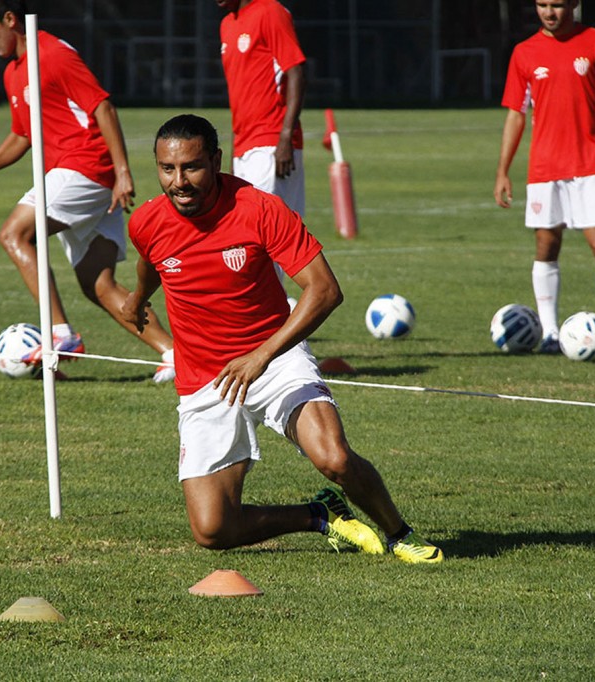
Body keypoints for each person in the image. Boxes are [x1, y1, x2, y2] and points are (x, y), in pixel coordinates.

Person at [121, 114, 442, 564]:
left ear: (216, 160)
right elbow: (152, 259)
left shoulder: (259, 208)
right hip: (205, 380)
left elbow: (325, 290)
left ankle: (399, 533)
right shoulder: (147, 221)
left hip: (275, 358)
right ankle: (319, 514)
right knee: (213, 530)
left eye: (191, 167)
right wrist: (137, 299)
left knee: (334, 459)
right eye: (167, 169)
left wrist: (261, 355)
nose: (179, 182)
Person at [0, 0, 175, 382]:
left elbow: (103, 106)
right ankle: (175, 355)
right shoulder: (13, 72)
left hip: (86, 167)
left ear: (10, 19)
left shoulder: (52, 54)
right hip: (77, 175)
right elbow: (22, 134)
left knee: (14, 234)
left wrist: (123, 172)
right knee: (98, 285)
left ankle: (60, 333)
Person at [495, 0, 595, 353]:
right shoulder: (524, 52)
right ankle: (551, 334)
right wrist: (503, 171)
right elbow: (515, 115)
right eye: (542, 5)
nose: (549, 12)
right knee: (546, 246)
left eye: (557, 4)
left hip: (591, 164)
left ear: (573, 4)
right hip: (545, 167)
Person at [215, 0, 306, 289]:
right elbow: (240, 98)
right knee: (259, 243)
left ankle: (276, 324)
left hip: (271, 144)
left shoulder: (270, 11)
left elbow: (295, 71)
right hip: (245, 148)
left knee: (261, 241)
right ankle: (285, 324)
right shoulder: (227, 24)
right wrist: (233, 157)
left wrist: (284, 137)